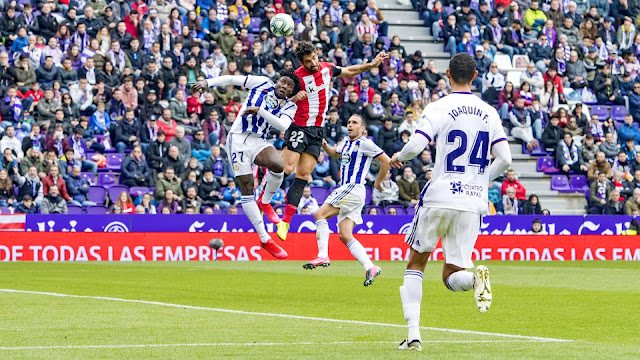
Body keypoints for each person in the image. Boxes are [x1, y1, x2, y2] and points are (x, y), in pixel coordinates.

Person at [389, 53, 512, 351]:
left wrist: (398, 157)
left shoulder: (439, 106)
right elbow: (505, 159)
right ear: (475, 75)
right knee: (452, 273)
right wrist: (482, 180)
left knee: (417, 263)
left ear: (447, 74)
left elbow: (417, 145)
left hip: (441, 194)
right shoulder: (489, 112)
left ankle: (414, 334)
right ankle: (474, 279)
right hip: (473, 202)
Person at [275, 41, 389, 241]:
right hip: (299, 126)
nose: (314, 63)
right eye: (309, 61)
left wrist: (371, 65)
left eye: (315, 58)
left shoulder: (326, 68)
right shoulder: (297, 77)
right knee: (287, 168)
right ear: (301, 62)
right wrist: (293, 99)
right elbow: (277, 100)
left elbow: (349, 70)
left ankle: (285, 222)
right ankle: (263, 201)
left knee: (303, 175)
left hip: (317, 131)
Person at [191, 69, 303, 259]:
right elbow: (232, 78)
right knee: (247, 188)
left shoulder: (289, 106)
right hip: (238, 139)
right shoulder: (261, 83)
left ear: (291, 92)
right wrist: (207, 83)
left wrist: (260, 111)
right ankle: (265, 238)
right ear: (277, 81)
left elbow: (283, 126)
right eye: (283, 82)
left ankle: (265, 201)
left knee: (278, 164)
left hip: (258, 139)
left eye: (289, 86)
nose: (284, 86)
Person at [304, 114, 390, 287]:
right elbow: (335, 154)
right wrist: (325, 146)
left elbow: (385, 160)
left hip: (352, 188)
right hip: (351, 192)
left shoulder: (365, 143)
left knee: (319, 214)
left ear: (362, 129)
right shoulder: (345, 142)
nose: (350, 125)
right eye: (349, 122)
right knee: (344, 234)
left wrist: (378, 182)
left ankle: (323, 255)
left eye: (355, 123)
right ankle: (370, 266)